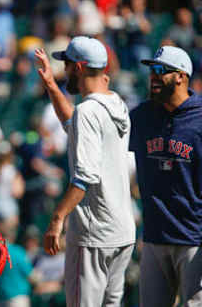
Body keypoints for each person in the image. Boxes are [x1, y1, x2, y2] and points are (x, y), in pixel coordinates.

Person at [35, 36, 136, 307]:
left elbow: (84, 178)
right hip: (122, 232)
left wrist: (57, 219)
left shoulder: (88, 111)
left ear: (79, 67)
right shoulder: (116, 103)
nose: (63, 69)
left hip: (95, 233)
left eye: (66, 64)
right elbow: (73, 123)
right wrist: (50, 85)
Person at [130, 46, 202, 306]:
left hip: (194, 239)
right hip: (154, 237)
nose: (153, 76)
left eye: (161, 70)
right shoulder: (141, 116)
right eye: (151, 70)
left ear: (181, 76)